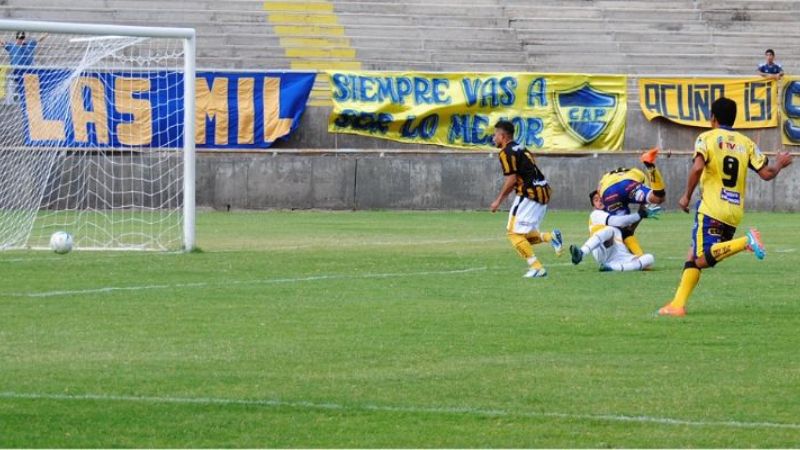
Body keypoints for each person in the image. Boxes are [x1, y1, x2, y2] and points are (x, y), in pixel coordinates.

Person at [658, 97, 793, 317]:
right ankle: (677, 305)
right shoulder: (746, 143)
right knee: (692, 254)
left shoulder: (706, 138)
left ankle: (745, 241)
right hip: (733, 212)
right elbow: (767, 174)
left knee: (702, 258)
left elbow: (697, 168)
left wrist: (685, 196)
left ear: (713, 118)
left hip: (711, 208)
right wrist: (779, 163)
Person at [490, 120, 562, 278]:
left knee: (513, 234)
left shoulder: (506, 152)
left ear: (502, 136)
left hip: (529, 194)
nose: (493, 137)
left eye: (495, 134)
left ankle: (537, 268)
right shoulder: (521, 147)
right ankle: (550, 237)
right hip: (542, 191)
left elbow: (512, 180)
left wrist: (498, 200)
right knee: (522, 234)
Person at [596, 148, 666, 256]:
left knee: (619, 227)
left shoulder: (605, 176)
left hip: (609, 192)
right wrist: (633, 228)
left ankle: (615, 256)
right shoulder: (636, 172)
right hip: (629, 185)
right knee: (658, 197)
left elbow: (599, 190)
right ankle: (651, 167)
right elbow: (644, 206)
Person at [569, 191, 659, 272]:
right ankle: (581, 253)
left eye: (601, 198)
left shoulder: (618, 215)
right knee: (610, 230)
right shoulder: (596, 214)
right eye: (596, 200)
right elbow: (617, 221)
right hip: (601, 250)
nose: (599, 201)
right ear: (593, 205)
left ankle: (613, 268)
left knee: (649, 258)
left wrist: (640, 257)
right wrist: (639, 215)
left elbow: (628, 234)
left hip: (619, 254)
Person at [1, 31, 47, 102]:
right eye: (19, 38)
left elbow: (39, 40)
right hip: (16, 72)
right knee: (11, 86)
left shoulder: (30, 45)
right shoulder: (11, 46)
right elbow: (2, 42)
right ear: (16, 39)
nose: (20, 40)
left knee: (28, 91)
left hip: (28, 73)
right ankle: (10, 103)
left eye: (22, 38)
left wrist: (46, 34)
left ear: (24, 39)